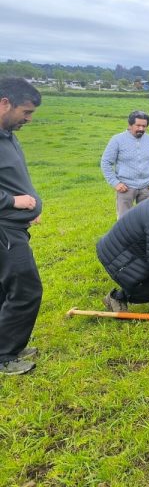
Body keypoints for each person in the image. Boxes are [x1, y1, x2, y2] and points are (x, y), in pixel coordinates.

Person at [0, 78, 43, 376]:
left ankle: (7, 346)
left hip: (14, 226)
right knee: (26, 289)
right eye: (25, 112)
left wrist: (31, 206)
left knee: (4, 291)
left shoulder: (7, 134)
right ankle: (5, 356)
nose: (28, 119)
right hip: (4, 231)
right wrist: (14, 203)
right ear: (5, 103)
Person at [100, 110, 149, 219]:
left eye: (144, 126)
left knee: (147, 218)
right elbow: (105, 162)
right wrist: (115, 183)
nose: (141, 129)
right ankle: (124, 236)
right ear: (130, 125)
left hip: (147, 187)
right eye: (138, 125)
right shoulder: (117, 140)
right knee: (124, 220)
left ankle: (143, 236)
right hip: (125, 187)